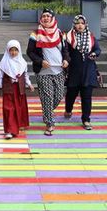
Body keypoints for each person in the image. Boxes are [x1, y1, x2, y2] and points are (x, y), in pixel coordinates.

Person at [27, 8, 69, 136]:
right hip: (43, 72)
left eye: (48, 16)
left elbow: (66, 51)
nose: (45, 18)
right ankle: (49, 123)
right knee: (48, 97)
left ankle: (47, 111)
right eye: (43, 16)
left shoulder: (61, 33)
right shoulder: (35, 34)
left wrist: (67, 60)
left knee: (59, 96)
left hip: (59, 70)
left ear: (52, 18)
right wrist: (40, 61)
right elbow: (30, 52)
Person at [63, 15, 101, 130]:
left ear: (85, 25)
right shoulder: (68, 37)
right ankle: (68, 109)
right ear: (74, 24)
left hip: (88, 70)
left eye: (82, 23)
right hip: (74, 71)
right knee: (71, 94)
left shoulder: (91, 37)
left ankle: (86, 119)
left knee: (87, 97)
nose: (80, 25)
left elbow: (98, 49)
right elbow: (65, 51)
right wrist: (66, 60)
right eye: (77, 23)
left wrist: (95, 53)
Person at [0, 39, 34, 139]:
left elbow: (25, 75)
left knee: (19, 107)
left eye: (15, 50)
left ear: (19, 51)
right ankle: (9, 130)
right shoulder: (4, 63)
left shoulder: (22, 63)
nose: (13, 52)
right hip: (9, 89)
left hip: (19, 90)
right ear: (7, 51)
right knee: (9, 109)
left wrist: (29, 84)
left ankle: (19, 124)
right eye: (11, 50)